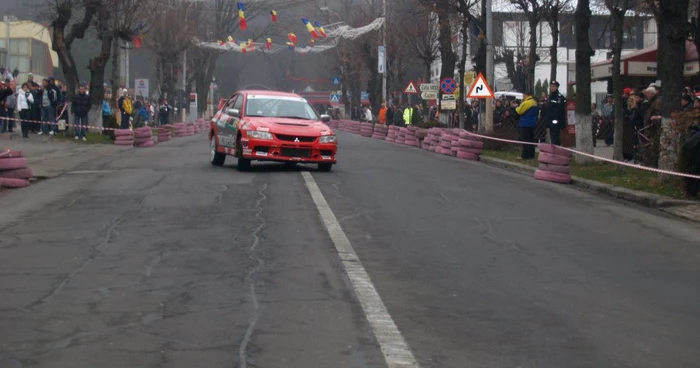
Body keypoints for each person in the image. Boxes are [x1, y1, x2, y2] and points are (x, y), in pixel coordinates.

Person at [542, 81, 567, 145]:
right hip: (550, 120)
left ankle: (556, 151)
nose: (552, 88)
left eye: (554, 86)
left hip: (556, 121)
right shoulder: (550, 96)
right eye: (551, 86)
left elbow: (559, 110)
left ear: (557, 87)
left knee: (555, 137)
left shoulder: (559, 97)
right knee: (552, 137)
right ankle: (553, 151)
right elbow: (548, 108)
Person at [515, 91, 539, 160]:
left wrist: (517, 107)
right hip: (532, 124)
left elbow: (519, 111)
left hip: (525, 123)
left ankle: (525, 155)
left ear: (526, 95)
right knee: (531, 140)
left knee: (525, 140)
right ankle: (531, 155)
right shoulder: (534, 102)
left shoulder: (527, 103)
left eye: (523, 96)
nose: (522, 97)